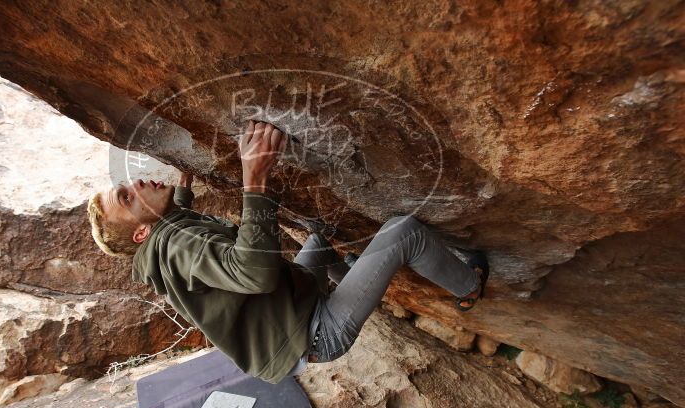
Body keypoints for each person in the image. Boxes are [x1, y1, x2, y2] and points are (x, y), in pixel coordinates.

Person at [87, 120, 487, 383]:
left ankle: (354, 281)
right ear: (141, 233)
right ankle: (469, 287)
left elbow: (183, 217)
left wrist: (183, 178)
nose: (135, 182)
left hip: (293, 306)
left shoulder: (166, 235)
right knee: (404, 232)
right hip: (316, 332)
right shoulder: (176, 246)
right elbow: (253, 273)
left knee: (320, 232)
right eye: (126, 195)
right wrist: (254, 177)